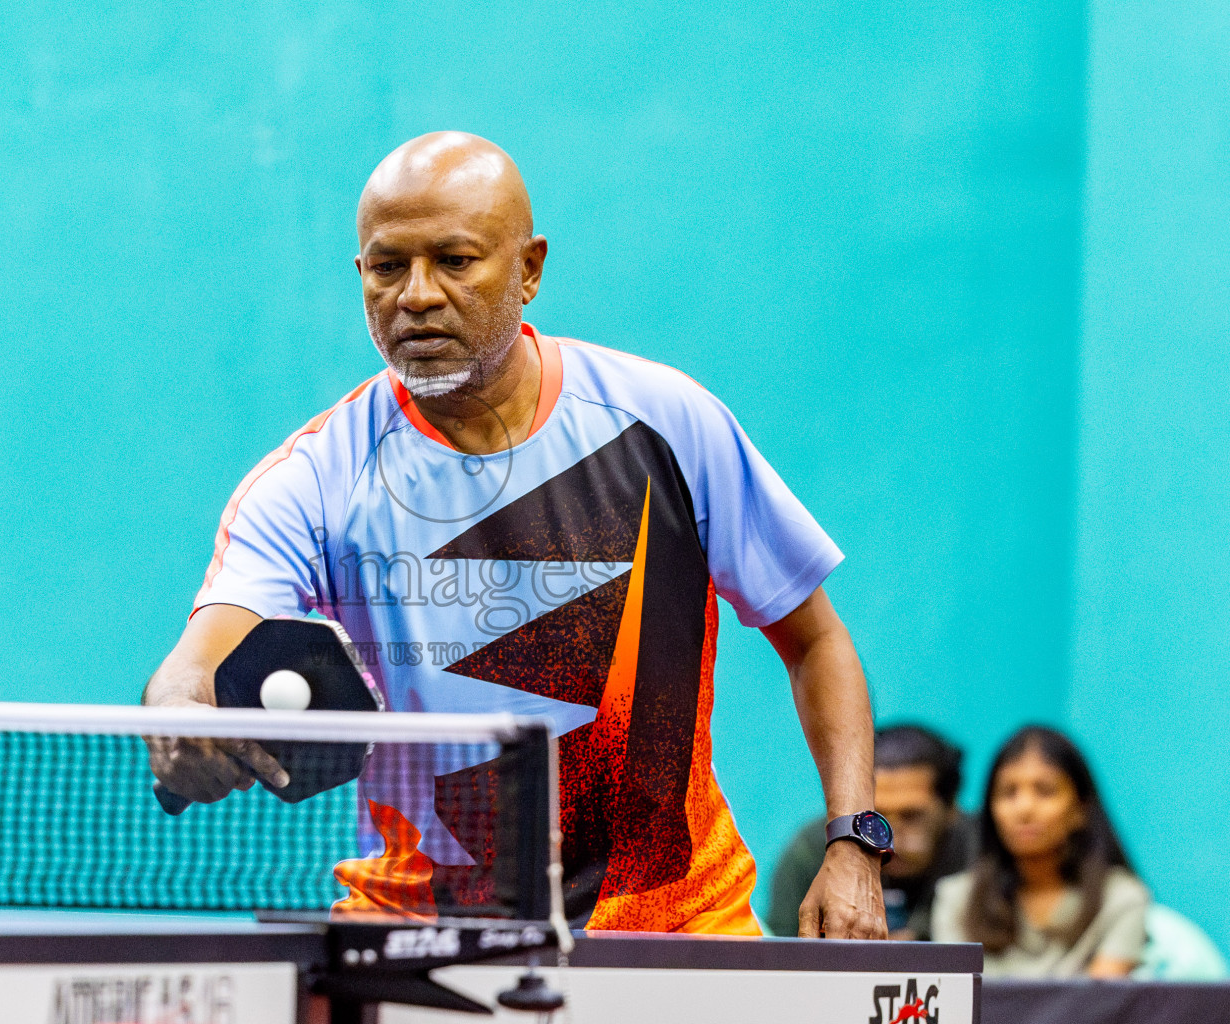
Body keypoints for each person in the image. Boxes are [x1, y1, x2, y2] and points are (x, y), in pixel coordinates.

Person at [145, 131, 889, 937]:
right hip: (423, 932)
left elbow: (816, 643)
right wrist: (179, 717)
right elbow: (196, 663)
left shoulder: (666, 421)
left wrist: (855, 842)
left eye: (455, 261)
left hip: (678, 925)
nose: (417, 295)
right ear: (361, 277)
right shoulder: (312, 480)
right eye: (388, 267)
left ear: (529, 268)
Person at [931, 726, 1149, 977]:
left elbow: (1098, 1008)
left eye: (1045, 791)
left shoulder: (1120, 899)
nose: (1024, 809)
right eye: (1008, 792)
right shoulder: (957, 899)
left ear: (1080, 809)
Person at [767, 725, 977, 939]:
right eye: (876, 817)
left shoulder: (985, 848)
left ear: (951, 808)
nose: (890, 836)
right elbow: (781, 945)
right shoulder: (814, 848)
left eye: (911, 816)